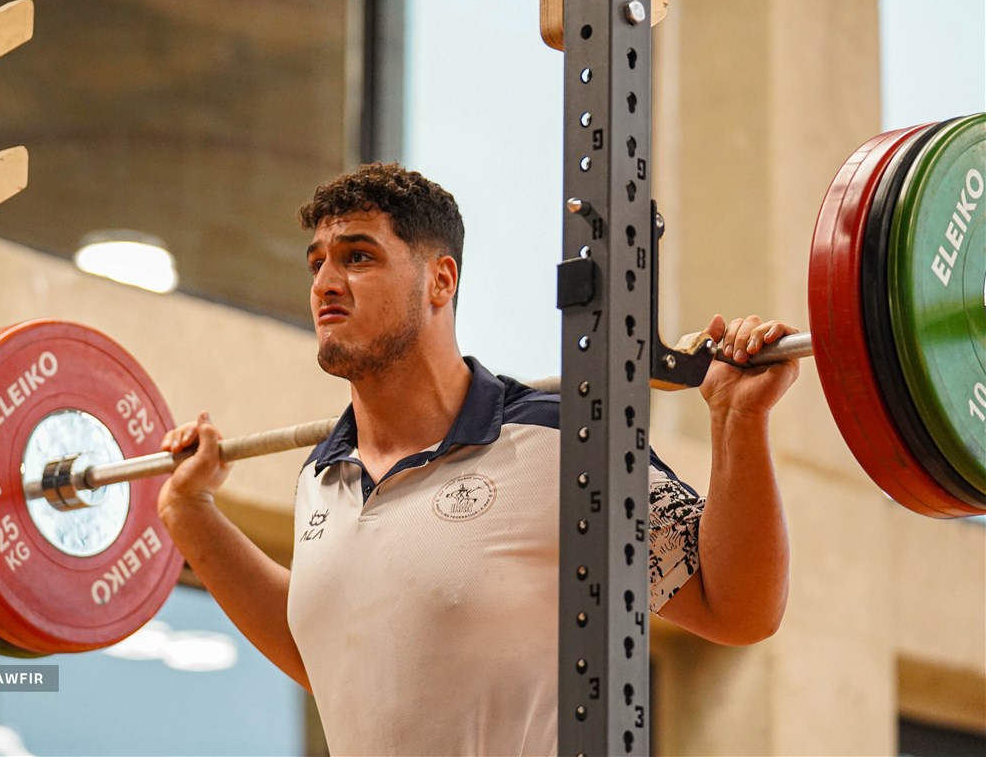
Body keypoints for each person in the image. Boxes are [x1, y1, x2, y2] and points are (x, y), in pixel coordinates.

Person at [157, 163, 797, 756]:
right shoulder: (322, 476)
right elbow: (332, 660)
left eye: (358, 257)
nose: (325, 283)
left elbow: (736, 609)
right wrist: (189, 512)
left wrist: (737, 420)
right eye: (316, 263)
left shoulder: (559, 441)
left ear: (441, 279)